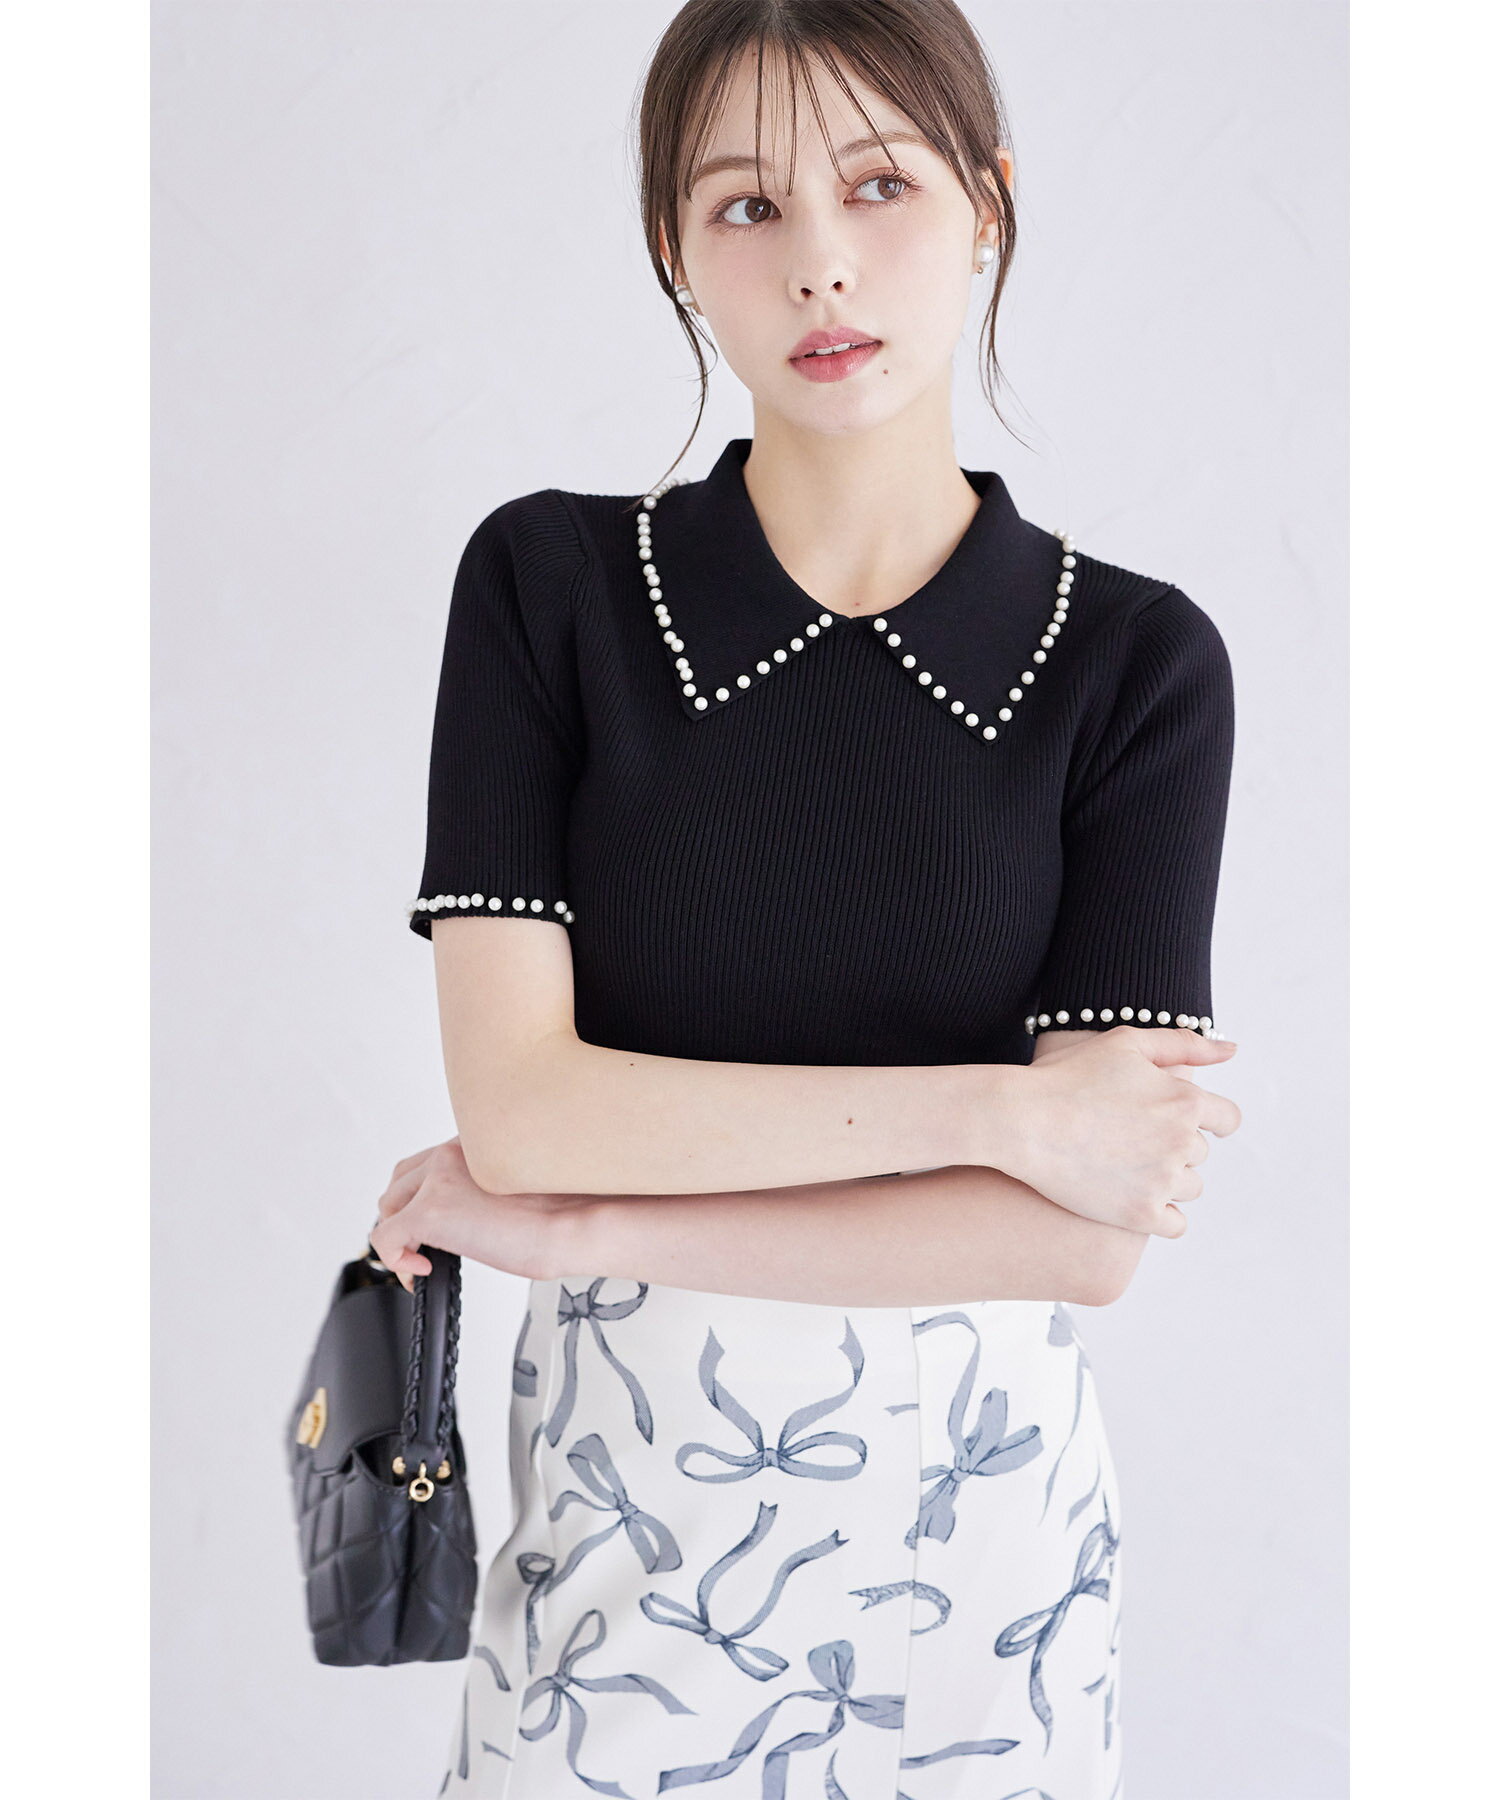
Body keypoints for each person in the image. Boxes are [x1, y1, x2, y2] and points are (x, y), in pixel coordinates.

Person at [369, 2, 1241, 1794]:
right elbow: (520, 1113)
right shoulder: (554, 589)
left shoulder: (1133, 662)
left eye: (881, 185)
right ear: (675, 249)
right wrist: (1002, 1119)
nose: (821, 264)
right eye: (747, 206)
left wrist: (593, 1224)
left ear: (989, 201)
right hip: (624, 1550)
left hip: (986, 1573)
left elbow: (1079, 1242)